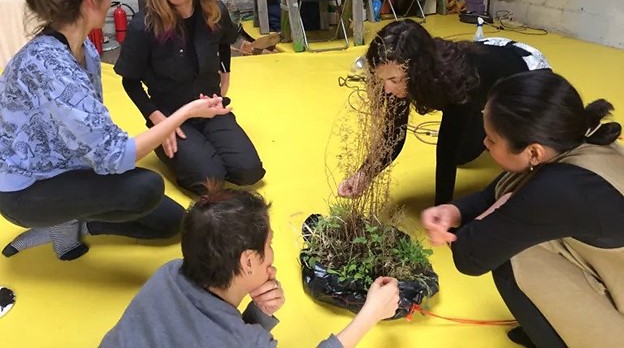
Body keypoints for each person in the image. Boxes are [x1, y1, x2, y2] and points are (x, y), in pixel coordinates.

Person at [0, 0, 231, 260]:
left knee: (172, 222)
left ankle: (83, 223)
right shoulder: (49, 65)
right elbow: (115, 155)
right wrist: (186, 112)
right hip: (26, 190)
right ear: (91, 0)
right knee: (145, 188)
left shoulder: (87, 52)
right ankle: (59, 222)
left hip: (70, 167)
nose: (110, 0)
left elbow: (93, 133)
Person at [421, 70, 624, 347]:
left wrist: (497, 210)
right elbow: (495, 192)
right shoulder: (572, 139)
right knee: (520, 232)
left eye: (492, 140)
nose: (484, 143)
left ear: (533, 152)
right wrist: (454, 211)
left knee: (512, 258)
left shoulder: (559, 188)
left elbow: (471, 255)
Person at [101, 183, 400, 347]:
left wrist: (258, 312)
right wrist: (371, 313)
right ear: (247, 261)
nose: (271, 254)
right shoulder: (247, 343)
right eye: (268, 245)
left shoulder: (167, 274)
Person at [338, 19, 550, 205]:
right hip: (487, 58)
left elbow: (446, 148)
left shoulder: (458, 80)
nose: (387, 89)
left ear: (418, 72)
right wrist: (364, 174)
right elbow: (394, 135)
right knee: (464, 155)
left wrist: (442, 207)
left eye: (394, 80)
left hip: (523, 71)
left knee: (509, 151)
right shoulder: (400, 75)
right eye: (382, 79)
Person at [114, 0, 265, 195]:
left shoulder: (214, 12)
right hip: (171, 117)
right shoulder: (144, 25)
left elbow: (225, 41)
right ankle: (171, 148)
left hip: (210, 108)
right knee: (210, 181)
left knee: (249, 171)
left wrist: (225, 73)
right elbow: (130, 81)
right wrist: (159, 122)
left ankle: (204, 148)